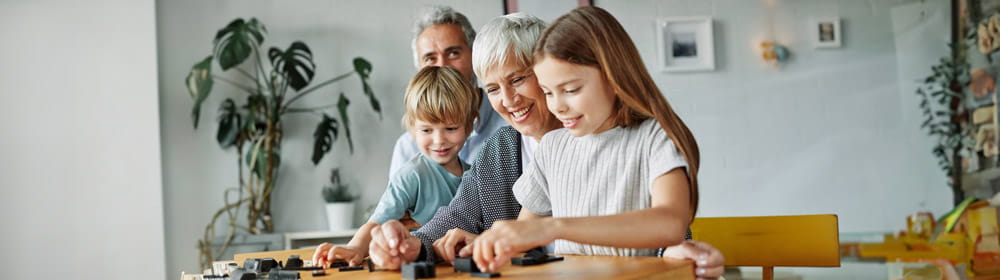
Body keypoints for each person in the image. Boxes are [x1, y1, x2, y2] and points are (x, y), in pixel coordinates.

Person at [358, 13, 725, 279]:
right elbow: (505, 229)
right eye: (492, 89)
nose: (508, 100)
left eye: (520, 79)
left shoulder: (647, 137)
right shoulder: (535, 149)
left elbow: (668, 227)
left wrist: (548, 229)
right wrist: (417, 245)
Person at [469, 6, 702, 273]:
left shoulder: (655, 139)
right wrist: (485, 244)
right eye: (547, 92)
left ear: (613, 75)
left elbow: (670, 224)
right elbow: (522, 235)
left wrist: (554, 227)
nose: (558, 106)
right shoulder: (553, 147)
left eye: (570, 90)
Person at [313, 66, 479, 267]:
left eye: (451, 128)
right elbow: (376, 224)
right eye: (426, 129)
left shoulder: (476, 173)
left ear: (470, 125)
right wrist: (355, 248)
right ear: (412, 127)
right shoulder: (411, 175)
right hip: (422, 268)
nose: (439, 140)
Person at [388, 5, 508, 177]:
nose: (442, 66)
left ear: (475, 56)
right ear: (419, 68)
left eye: (453, 53)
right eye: (430, 58)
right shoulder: (408, 148)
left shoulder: (512, 122)